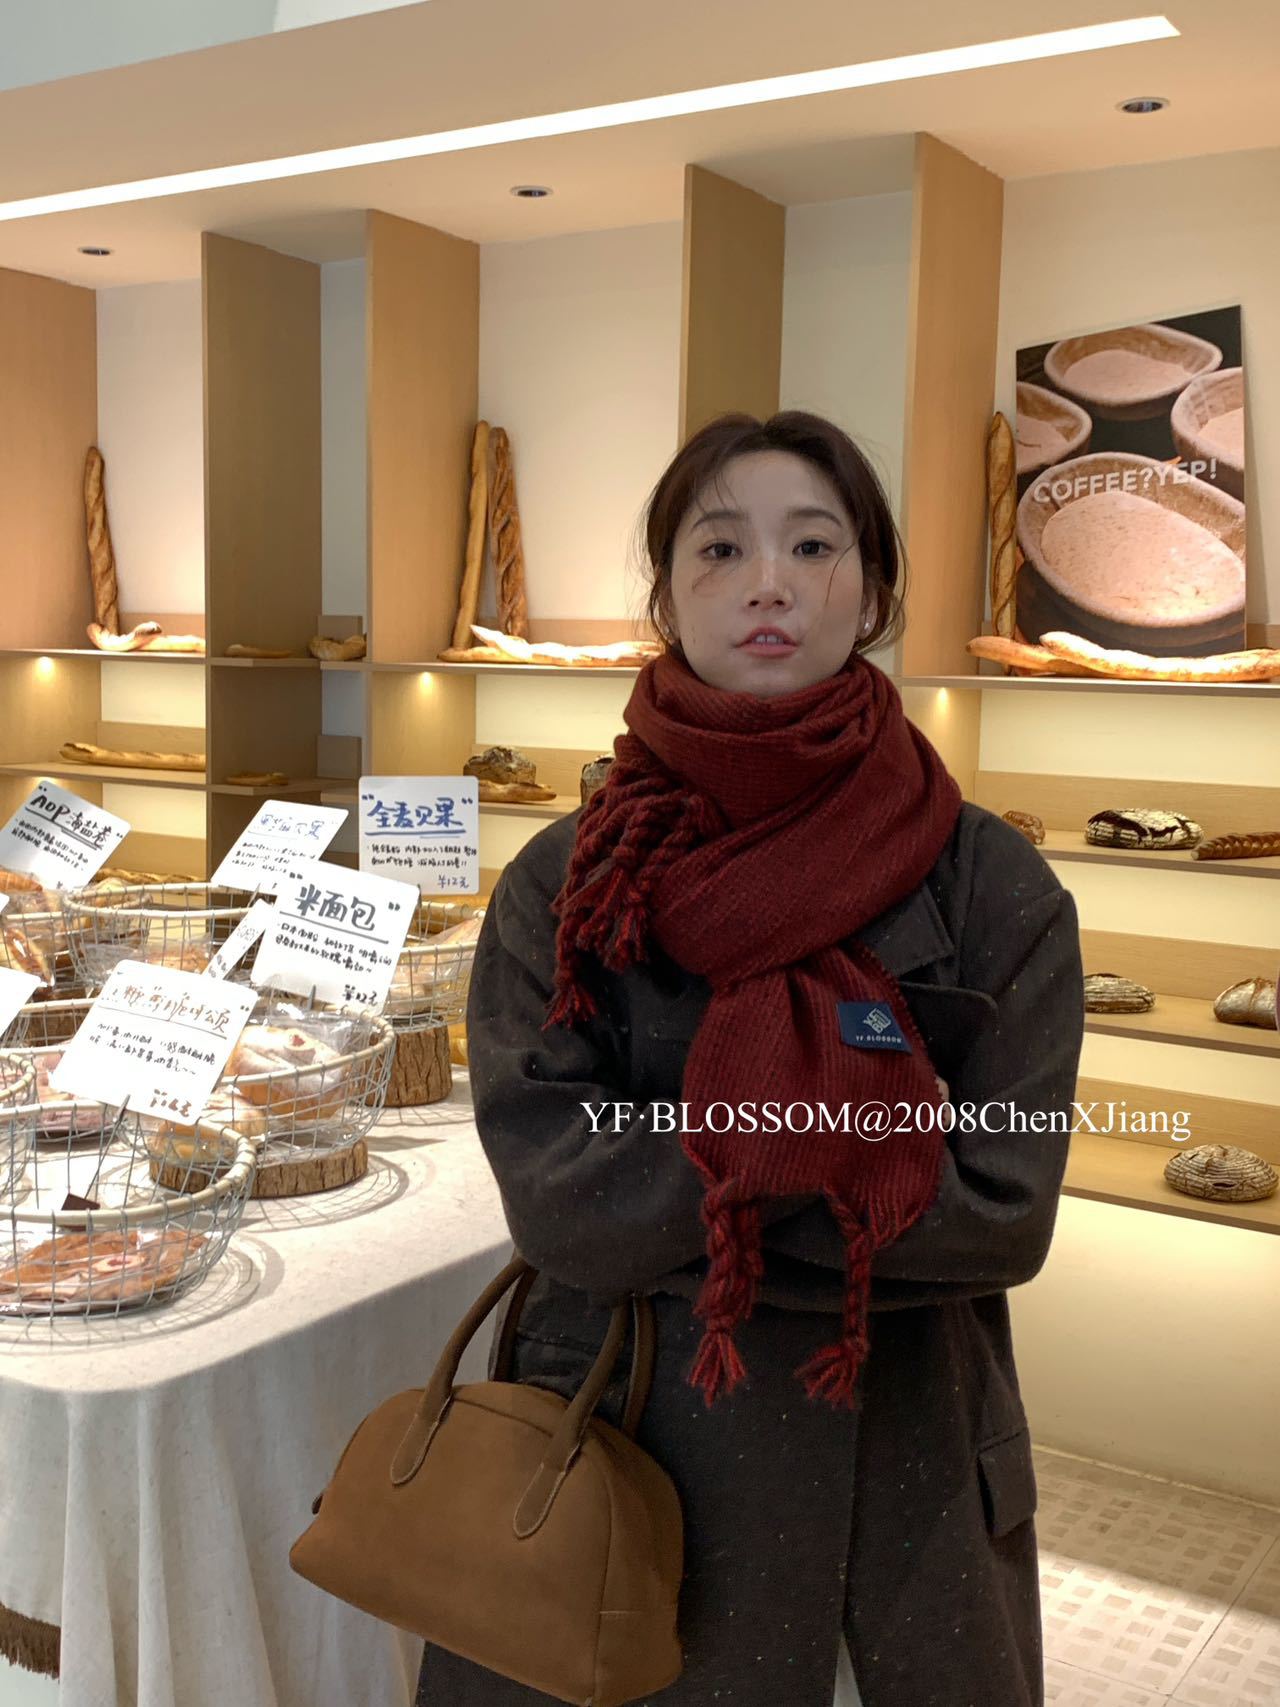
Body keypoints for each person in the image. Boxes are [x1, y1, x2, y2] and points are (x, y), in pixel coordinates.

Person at [417, 410, 1085, 1707]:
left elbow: (1002, 1209)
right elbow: (560, 1192)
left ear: (873, 593)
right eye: (720, 548)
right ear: (667, 595)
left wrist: (704, 1195)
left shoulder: (992, 884)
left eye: (814, 545)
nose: (768, 582)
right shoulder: (575, 880)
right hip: (626, 1442)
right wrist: (852, 1160)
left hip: (897, 1465)